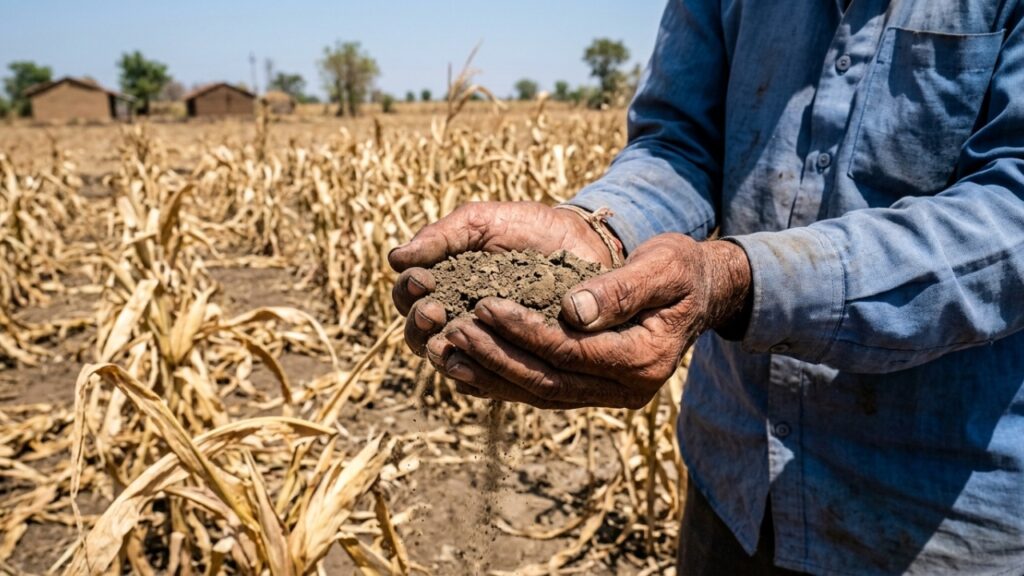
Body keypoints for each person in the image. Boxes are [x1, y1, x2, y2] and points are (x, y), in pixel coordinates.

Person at [389, 1, 1024, 574]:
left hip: (940, 520)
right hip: (733, 477)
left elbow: (1011, 210)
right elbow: (679, 142)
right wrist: (599, 233)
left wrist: (738, 283)